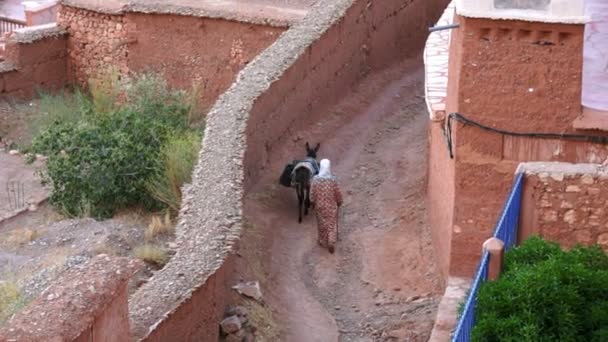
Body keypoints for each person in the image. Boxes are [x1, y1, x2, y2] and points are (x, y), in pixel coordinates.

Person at [310, 159, 343, 253]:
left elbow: (312, 193)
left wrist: (312, 201)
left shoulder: (315, 180)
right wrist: (340, 201)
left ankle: (323, 241)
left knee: (322, 224)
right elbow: (338, 192)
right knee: (331, 224)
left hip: (319, 207)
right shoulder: (333, 180)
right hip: (331, 206)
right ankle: (331, 241)